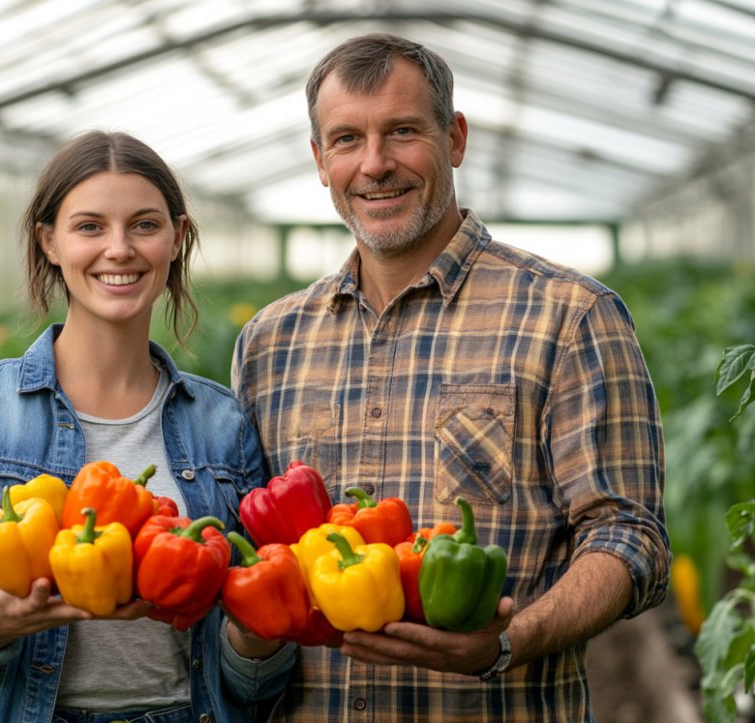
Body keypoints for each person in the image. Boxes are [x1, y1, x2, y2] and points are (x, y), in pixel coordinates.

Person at [231, 32, 670, 722]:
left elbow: (629, 533)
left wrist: (507, 641)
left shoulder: (571, 316)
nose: (375, 164)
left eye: (402, 131)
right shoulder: (270, 343)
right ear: (320, 161)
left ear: (455, 138)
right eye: (346, 139)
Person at [0, 130, 294, 723]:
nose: (120, 249)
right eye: (90, 226)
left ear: (177, 239)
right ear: (49, 241)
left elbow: (250, 678)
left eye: (145, 225)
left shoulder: (222, 423)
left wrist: (258, 638)